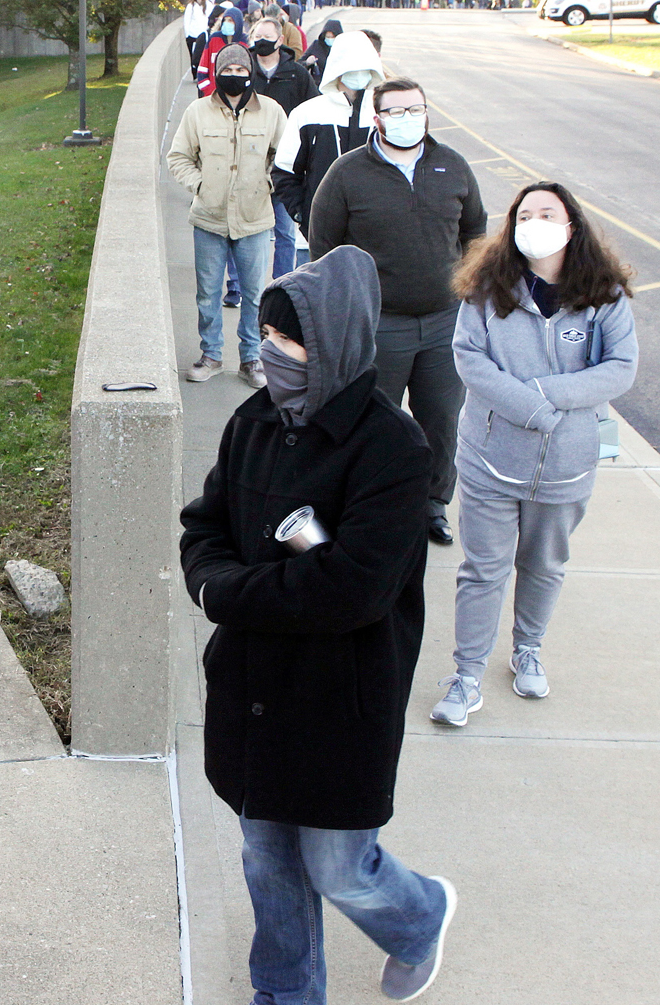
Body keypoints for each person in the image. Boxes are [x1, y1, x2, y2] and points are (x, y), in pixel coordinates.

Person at [180, 247, 459, 1005]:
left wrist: (229, 594)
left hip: (343, 698)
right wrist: (213, 582)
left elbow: (352, 591)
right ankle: (285, 992)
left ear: (335, 343)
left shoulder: (393, 449)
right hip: (253, 689)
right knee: (267, 862)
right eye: (264, 337)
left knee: (339, 866)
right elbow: (203, 526)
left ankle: (420, 915)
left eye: (290, 341)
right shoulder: (253, 422)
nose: (272, 354)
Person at [431, 182, 637, 726]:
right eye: (525, 214)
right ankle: (467, 674)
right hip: (490, 458)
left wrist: (551, 397)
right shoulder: (484, 288)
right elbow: (469, 359)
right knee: (483, 570)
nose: (535, 222)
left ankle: (528, 650)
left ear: (571, 226)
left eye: (548, 213)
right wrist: (532, 409)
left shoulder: (603, 294)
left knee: (544, 564)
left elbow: (620, 368)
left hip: (568, 464)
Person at [308, 77, 488, 546]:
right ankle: (367, 503)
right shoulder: (347, 174)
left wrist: (472, 291)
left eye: (417, 110)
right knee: (373, 420)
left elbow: (475, 232)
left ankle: (432, 504)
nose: (409, 119)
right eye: (397, 111)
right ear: (377, 118)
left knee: (441, 421)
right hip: (378, 324)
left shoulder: (453, 165)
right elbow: (324, 249)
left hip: (444, 323)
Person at [165, 45, 287, 387]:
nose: (234, 77)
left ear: (250, 72)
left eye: (240, 71)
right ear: (218, 74)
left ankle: (252, 358)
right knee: (207, 291)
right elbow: (178, 157)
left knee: (253, 293)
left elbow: (287, 157)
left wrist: (268, 182)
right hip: (209, 218)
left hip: (254, 219)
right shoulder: (197, 112)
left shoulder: (273, 112)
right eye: (227, 71)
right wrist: (199, 184)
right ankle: (211, 355)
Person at [272, 29, 381, 240]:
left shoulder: (384, 113)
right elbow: (284, 172)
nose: (358, 73)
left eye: (364, 67)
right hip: (318, 236)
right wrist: (303, 214)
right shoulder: (307, 113)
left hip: (377, 238)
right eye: (352, 66)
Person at [247, 17, 317, 286]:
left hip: (286, 165)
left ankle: (282, 284)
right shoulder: (245, 72)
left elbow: (312, 110)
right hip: (250, 163)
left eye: (267, 37)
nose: (261, 42)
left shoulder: (297, 74)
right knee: (250, 232)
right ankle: (243, 285)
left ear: (280, 41)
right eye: (257, 37)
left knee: (285, 231)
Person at [184, 0, 211, 73]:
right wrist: (187, 34)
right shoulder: (191, 6)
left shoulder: (208, 5)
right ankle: (194, 72)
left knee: (202, 55)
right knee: (193, 56)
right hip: (192, 35)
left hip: (203, 35)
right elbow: (186, 21)